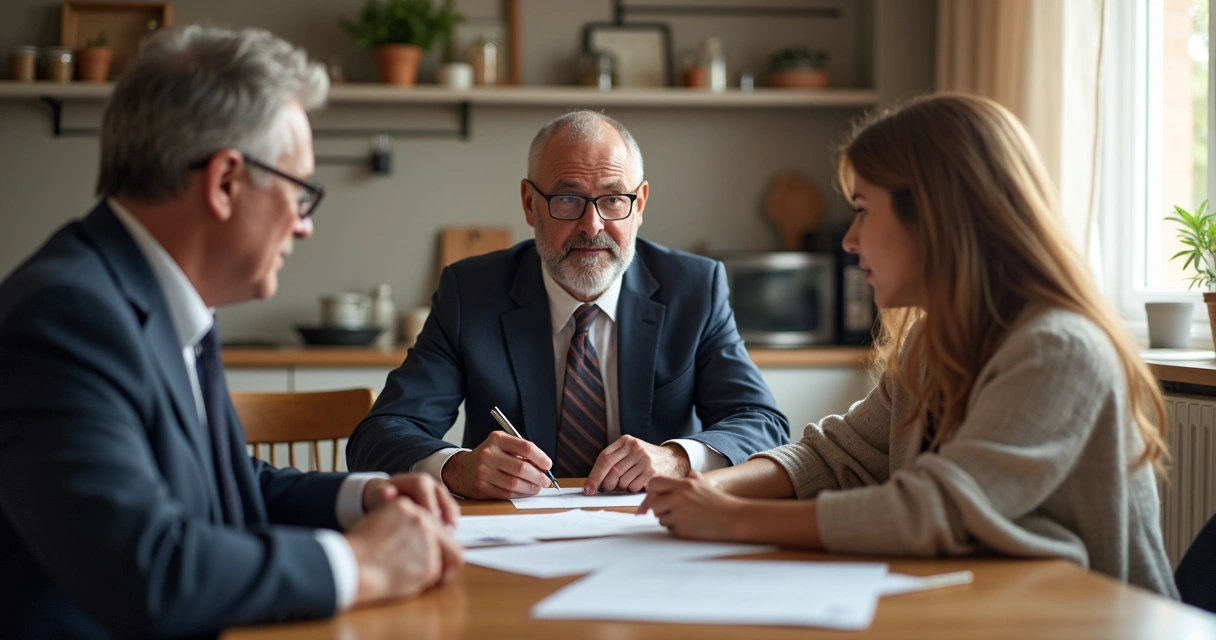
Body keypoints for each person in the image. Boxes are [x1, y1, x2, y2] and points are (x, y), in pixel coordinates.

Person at [0, 26, 463, 639]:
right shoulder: (63, 318)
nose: (305, 226)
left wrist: (363, 497)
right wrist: (360, 564)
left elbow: (222, 487)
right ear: (224, 182)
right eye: (299, 192)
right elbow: (151, 572)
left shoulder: (158, 299)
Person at [639, 93, 1179, 598]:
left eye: (863, 209)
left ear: (936, 218)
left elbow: (939, 508)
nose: (849, 240)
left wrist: (733, 518)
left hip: (1089, 616)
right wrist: (709, 489)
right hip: (989, 605)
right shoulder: (931, 343)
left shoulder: (1057, 349)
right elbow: (834, 456)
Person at [346, 110, 789, 499]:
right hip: (513, 538)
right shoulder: (471, 293)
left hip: (655, 531)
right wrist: (457, 468)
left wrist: (677, 458)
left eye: (613, 199)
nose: (591, 225)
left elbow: (762, 423)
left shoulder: (693, 289)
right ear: (529, 204)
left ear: (639, 205)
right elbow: (378, 436)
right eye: (568, 199)